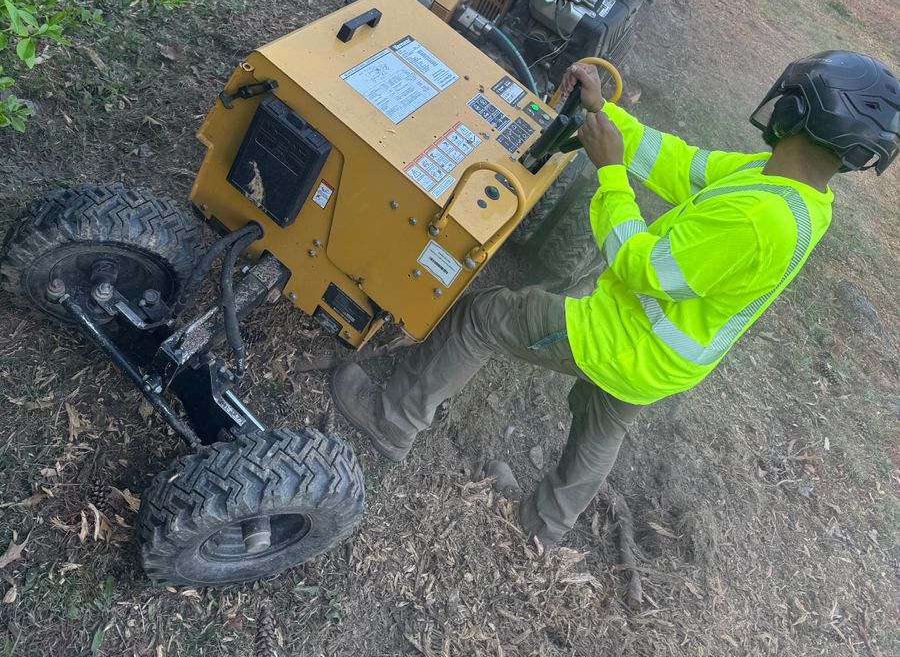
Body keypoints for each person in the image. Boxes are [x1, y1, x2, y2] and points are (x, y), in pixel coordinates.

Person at [331, 51, 900, 546]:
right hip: (667, 364)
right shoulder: (792, 190)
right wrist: (599, 113)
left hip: (629, 342)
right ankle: (545, 527)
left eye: (790, 99)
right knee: (601, 420)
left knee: (487, 315)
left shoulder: (761, 219)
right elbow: (681, 163)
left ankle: (393, 419)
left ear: (802, 113)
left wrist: (610, 175)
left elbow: (646, 266)